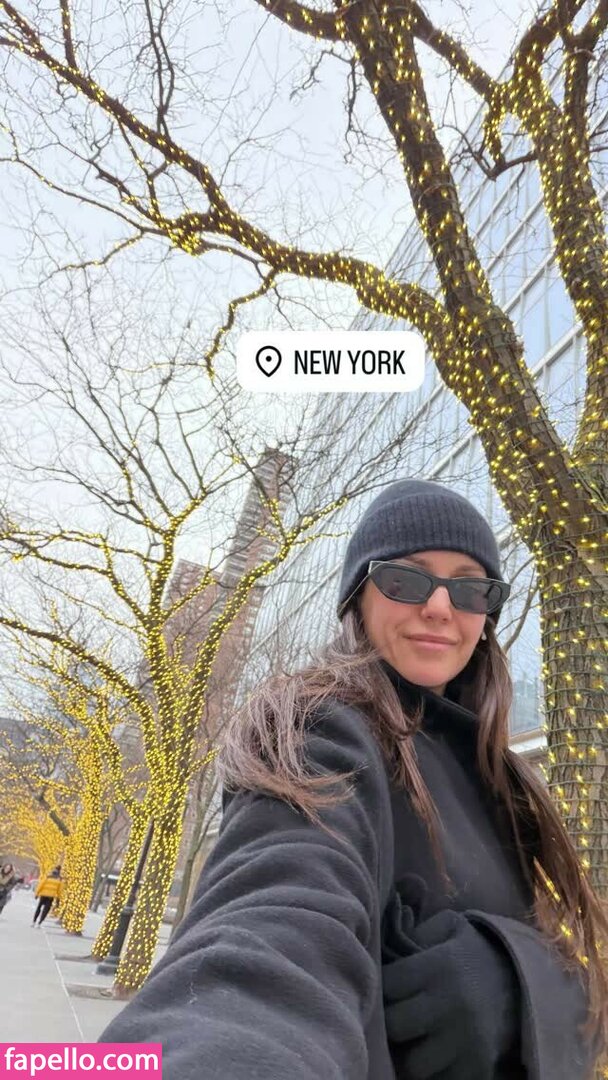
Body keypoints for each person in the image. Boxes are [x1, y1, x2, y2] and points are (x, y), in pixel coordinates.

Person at [99, 479, 608, 1078]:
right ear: (357, 597)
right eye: (406, 580)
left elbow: (582, 974)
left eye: (470, 588)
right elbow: (274, 929)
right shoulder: (318, 728)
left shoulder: (508, 780)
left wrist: (509, 976)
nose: (440, 607)